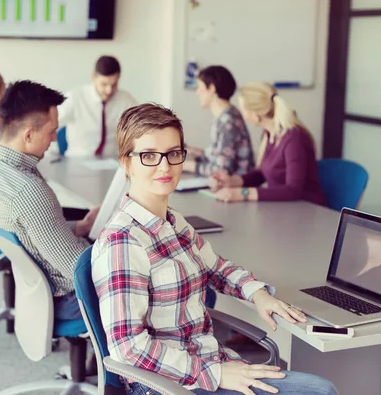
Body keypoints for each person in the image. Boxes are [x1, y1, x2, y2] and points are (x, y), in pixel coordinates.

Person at [91, 103, 337, 395]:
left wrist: (256, 292)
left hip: (207, 360)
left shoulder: (172, 221)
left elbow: (217, 268)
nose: (165, 166)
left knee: (319, 389)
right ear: (126, 162)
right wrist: (215, 374)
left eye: (173, 153)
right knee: (320, 391)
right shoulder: (123, 241)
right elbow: (128, 348)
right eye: (149, 156)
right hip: (167, 383)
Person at [0, 80, 100, 323]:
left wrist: (80, 227)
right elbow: (79, 272)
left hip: (35, 292)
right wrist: (121, 247)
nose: (54, 139)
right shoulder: (29, 191)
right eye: (52, 131)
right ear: (28, 134)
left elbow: (28, 232)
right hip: (66, 299)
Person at [210, 82, 326, 206]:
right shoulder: (269, 134)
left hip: (306, 210)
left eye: (243, 109)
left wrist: (242, 193)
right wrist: (232, 181)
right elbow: (263, 173)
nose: (242, 114)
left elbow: (293, 190)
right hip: (283, 210)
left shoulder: (294, 138)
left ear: (256, 115)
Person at [57, 55, 137, 157]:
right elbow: (50, 123)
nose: (109, 90)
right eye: (104, 84)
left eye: (114, 84)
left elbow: (140, 128)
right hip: (77, 160)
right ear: (93, 78)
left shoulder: (125, 100)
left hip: (111, 161)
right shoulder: (75, 98)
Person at [183, 66, 256, 176]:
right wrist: (193, 152)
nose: (197, 93)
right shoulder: (225, 117)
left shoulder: (228, 121)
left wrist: (186, 165)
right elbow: (220, 156)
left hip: (234, 188)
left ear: (211, 88)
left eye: (199, 87)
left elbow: (222, 170)